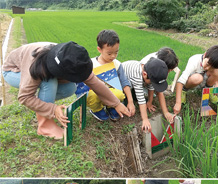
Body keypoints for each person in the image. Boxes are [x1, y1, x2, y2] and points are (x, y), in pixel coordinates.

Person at [2, 41, 131, 139]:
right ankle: (45, 126)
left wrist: (116, 103)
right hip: (13, 71)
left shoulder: (71, 58)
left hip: (43, 71)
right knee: (49, 81)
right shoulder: (37, 65)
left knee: (71, 87)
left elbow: (95, 83)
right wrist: (52, 109)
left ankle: (44, 102)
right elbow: (24, 97)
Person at [76, 29, 135, 121]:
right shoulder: (90, 64)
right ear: (99, 49)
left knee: (119, 94)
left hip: (111, 93)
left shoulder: (117, 64)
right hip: (95, 93)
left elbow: (124, 82)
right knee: (92, 96)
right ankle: (97, 110)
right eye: (109, 53)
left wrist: (130, 102)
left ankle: (111, 107)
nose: (113, 56)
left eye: (116, 52)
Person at [122, 58, 174, 133]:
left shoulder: (150, 72)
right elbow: (141, 100)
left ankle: (132, 94)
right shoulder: (137, 77)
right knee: (125, 101)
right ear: (144, 74)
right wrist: (145, 119)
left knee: (144, 87)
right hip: (120, 83)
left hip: (132, 83)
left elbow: (151, 88)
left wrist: (150, 102)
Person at [173, 45, 218, 115]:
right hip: (193, 82)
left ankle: (208, 90)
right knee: (198, 78)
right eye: (207, 64)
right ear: (205, 54)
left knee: (217, 71)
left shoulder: (217, 64)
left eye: (212, 67)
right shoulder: (194, 60)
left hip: (205, 82)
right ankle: (184, 91)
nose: (208, 68)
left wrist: (217, 85)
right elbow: (180, 81)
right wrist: (178, 103)